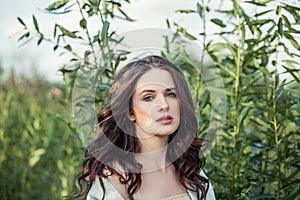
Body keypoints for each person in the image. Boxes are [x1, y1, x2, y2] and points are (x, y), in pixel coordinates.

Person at [74, 55, 216, 200]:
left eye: (171, 94)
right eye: (148, 97)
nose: (164, 105)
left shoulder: (191, 172)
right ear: (130, 111)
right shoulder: (114, 178)